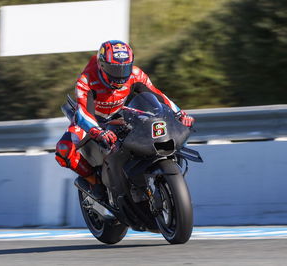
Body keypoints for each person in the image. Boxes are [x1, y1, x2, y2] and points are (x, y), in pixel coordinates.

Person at [55, 40, 194, 198]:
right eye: (114, 68)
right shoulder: (87, 79)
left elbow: (158, 95)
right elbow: (83, 112)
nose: (120, 75)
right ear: (102, 65)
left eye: (125, 67)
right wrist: (98, 131)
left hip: (122, 114)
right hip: (93, 119)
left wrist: (179, 113)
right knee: (64, 149)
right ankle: (94, 183)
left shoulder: (135, 74)